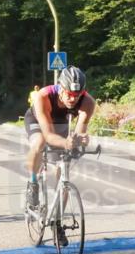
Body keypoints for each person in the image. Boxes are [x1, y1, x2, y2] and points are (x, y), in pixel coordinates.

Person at [24, 66, 96, 240]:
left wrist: (80, 140)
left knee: (63, 173)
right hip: (39, 121)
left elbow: (78, 132)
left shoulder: (88, 102)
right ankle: (33, 182)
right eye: (69, 94)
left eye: (76, 95)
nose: (73, 99)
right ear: (60, 88)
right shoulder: (43, 96)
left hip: (62, 124)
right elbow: (48, 135)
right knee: (40, 142)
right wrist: (66, 142)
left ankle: (57, 223)